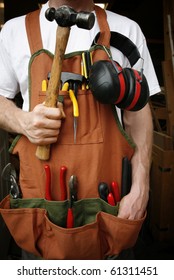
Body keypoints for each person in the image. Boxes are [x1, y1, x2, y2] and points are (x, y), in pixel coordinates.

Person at [0, 0, 160, 259]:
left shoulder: (127, 31)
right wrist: (23, 122)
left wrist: (142, 185)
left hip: (111, 211)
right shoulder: (14, 31)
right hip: (41, 214)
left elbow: (138, 110)